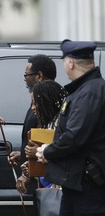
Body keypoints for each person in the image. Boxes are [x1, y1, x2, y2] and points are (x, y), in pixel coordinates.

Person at [36, 39, 105, 216]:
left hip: (88, 187)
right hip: (77, 184)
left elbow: (74, 136)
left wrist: (48, 151)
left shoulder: (89, 92)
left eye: (64, 61)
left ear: (70, 63)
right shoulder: (85, 90)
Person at [9, 54, 57, 194]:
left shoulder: (49, 105)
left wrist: (26, 175)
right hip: (38, 178)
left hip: (47, 183)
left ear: (39, 76)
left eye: (26, 75)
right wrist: (23, 155)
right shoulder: (38, 99)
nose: (25, 80)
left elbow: (49, 145)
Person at [18, 80, 67, 190]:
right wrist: (31, 167)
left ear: (47, 102)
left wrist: (39, 152)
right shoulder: (48, 124)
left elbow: (64, 155)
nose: (33, 108)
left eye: (35, 103)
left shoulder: (62, 124)